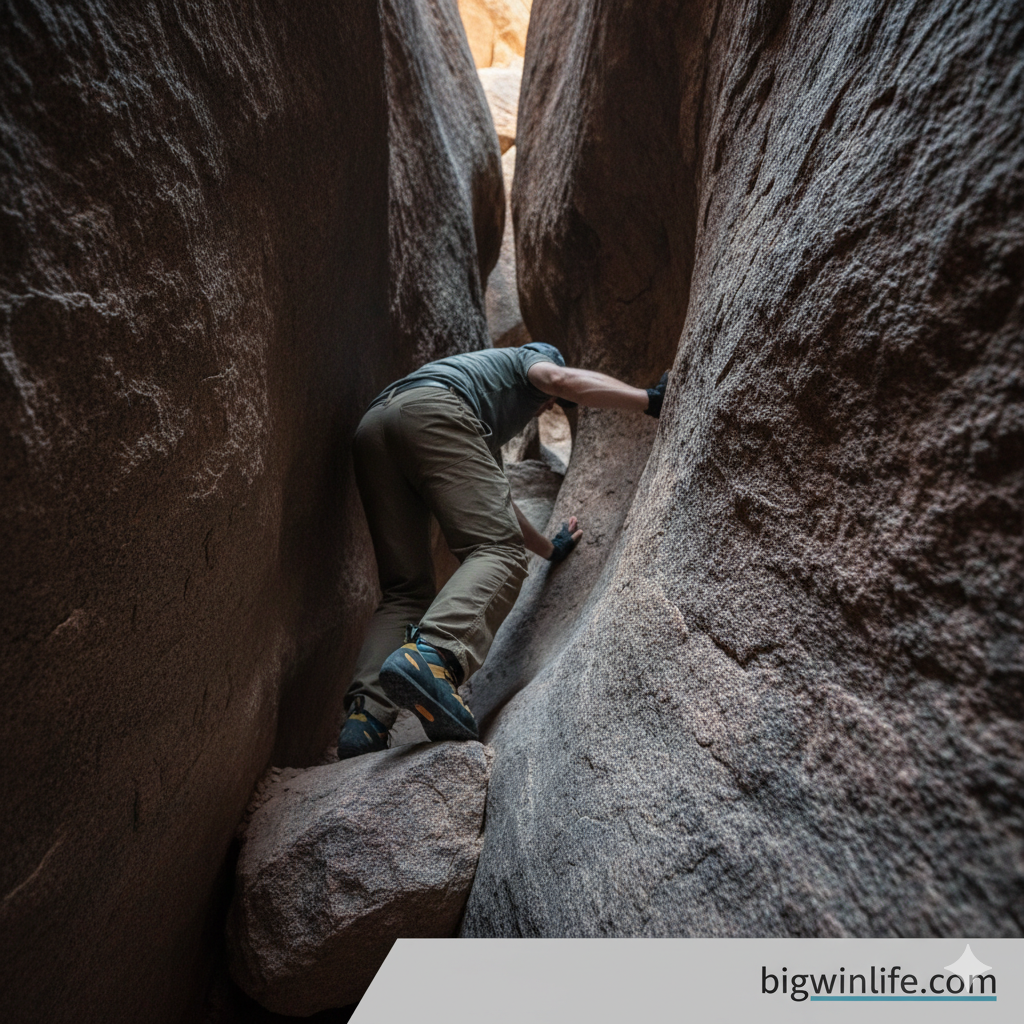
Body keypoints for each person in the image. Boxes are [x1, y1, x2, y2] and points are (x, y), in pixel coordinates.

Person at [337, 341, 669, 759]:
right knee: (497, 551)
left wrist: (551, 550)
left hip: (374, 428)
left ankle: (364, 723)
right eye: (550, 403)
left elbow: (501, 506)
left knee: (406, 589)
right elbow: (562, 380)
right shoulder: (529, 359)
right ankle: (434, 655)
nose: (547, 405)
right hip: (433, 411)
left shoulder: (479, 410)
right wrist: (650, 400)